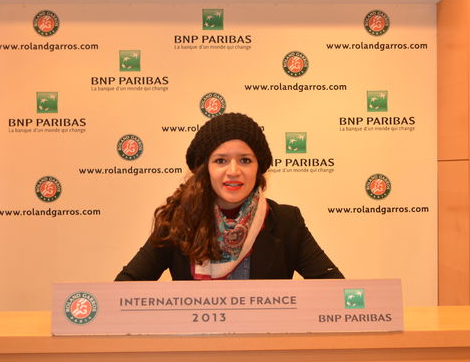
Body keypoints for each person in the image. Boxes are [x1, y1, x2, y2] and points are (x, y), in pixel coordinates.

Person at [115, 112, 344, 281]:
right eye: (221, 160)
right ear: (205, 169)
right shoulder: (177, 220)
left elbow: (333, 288)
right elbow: (125, 288)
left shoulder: (286, 221)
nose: (233, 171)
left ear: (258, 168)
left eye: (245, 160)